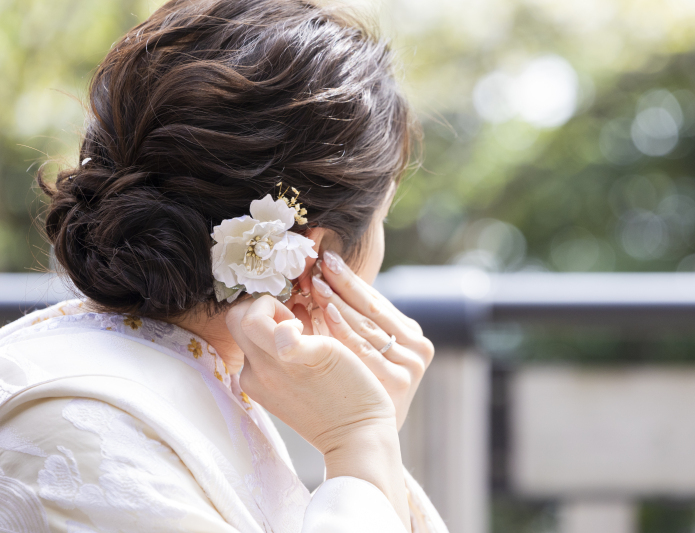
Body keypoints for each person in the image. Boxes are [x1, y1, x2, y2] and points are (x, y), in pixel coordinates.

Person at [0, 0, 447, 531]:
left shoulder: (153, 379)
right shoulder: (84, 422)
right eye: (382, 221)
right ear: (310, 257)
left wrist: (370, 444)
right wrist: (360, 440)